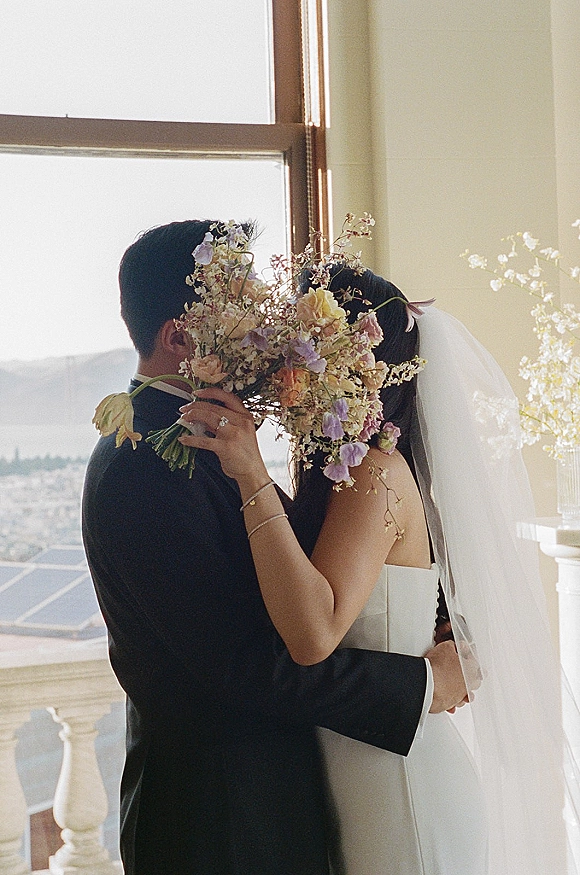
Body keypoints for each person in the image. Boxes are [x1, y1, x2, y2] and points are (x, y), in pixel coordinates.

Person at [81, 220, 468, 875]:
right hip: (223, 822)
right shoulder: (149, 464)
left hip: (269, 808)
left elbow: (328, 564)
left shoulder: (212, 444)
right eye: (240, 310)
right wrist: (421, 684)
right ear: (179, 337)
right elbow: (246, 663)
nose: (262, 335)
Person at [177, 261, 578, 875]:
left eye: (300, 362)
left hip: (403, 793)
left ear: (355, 368)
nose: (284, 382)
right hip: (363, 786)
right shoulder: (335, 479)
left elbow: (313, 636)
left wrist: (251, 473)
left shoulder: (375, 474)